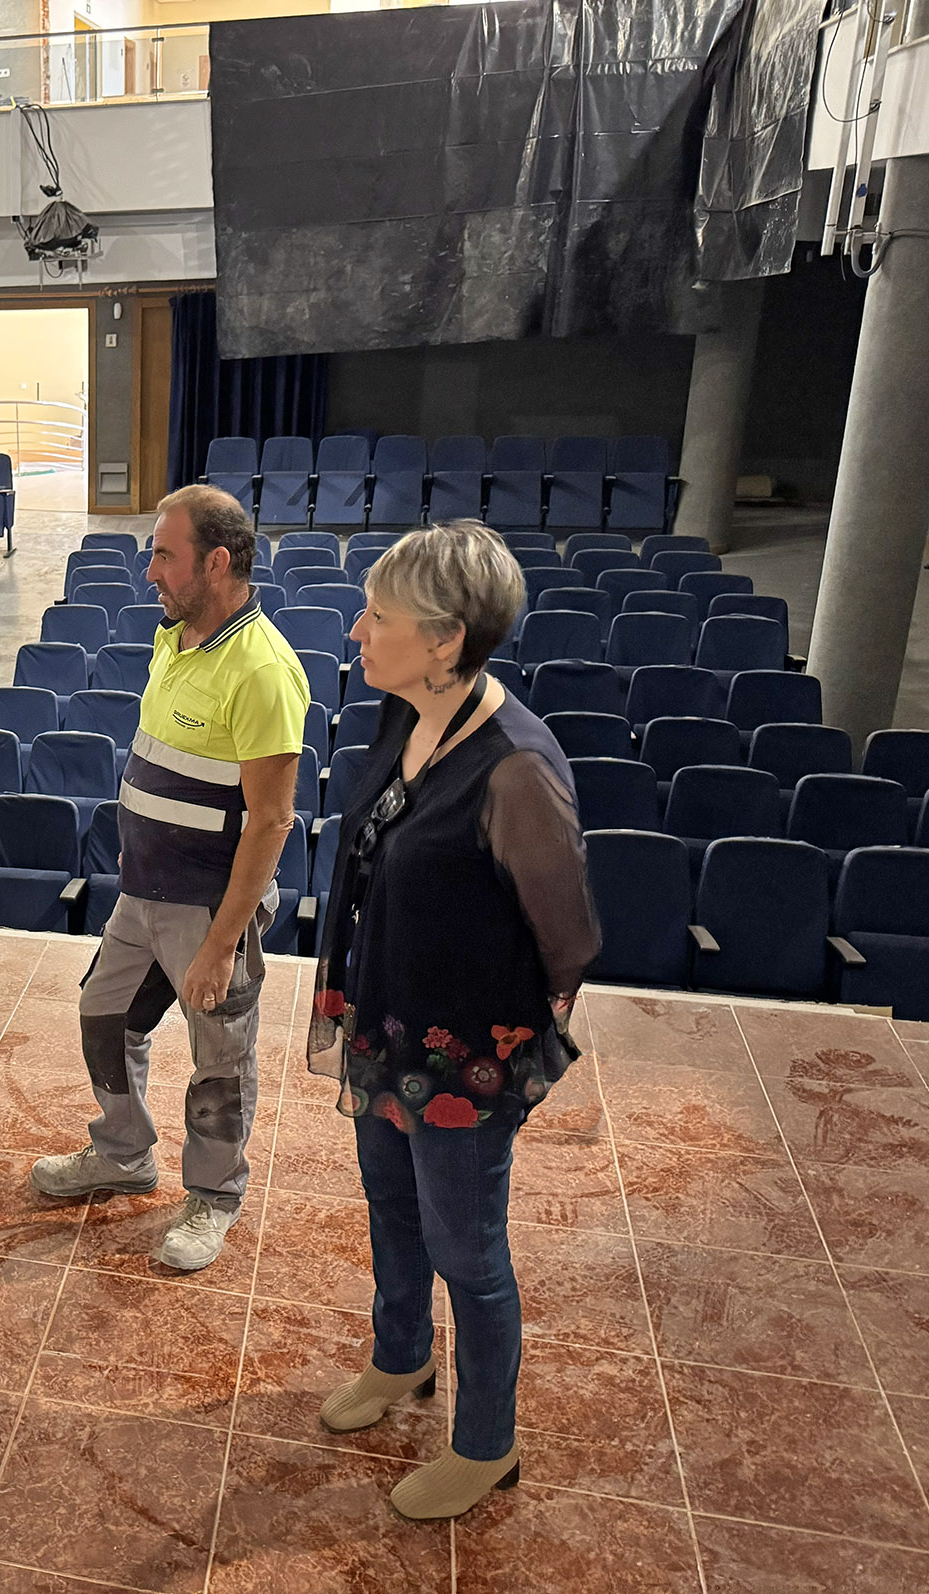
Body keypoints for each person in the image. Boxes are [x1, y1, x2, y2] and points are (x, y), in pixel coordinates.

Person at [305, 519, 599, 1520]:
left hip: (463, 1055)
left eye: (377, 617)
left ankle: (486, 1443)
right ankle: (399, 1359)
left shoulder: (515, 765)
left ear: (444, 641)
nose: (355, 631)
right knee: (389, 1207)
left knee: (467, 1251)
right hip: (384, 1019)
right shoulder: (402, 712)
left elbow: (567, 934)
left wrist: (498, 1041)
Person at [30, 485, 308, 1272]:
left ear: (216, 563)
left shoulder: (263, 670)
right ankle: (123, 1154)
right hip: (142, 895)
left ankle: (214, 1197)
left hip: (208, 909)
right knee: (103, 1017)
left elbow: (270, 821)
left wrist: (222, 944)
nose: (148, 569)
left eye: (163, 553)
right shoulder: (173, 637)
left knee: (220, 1059)